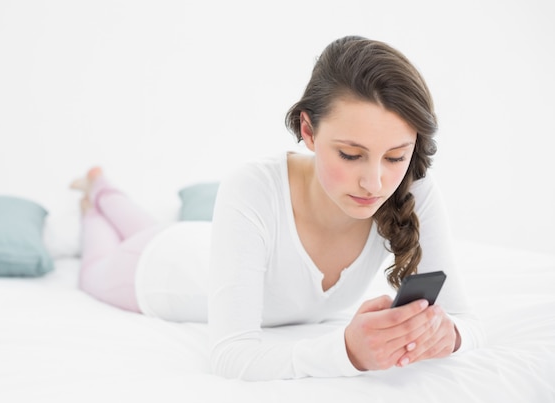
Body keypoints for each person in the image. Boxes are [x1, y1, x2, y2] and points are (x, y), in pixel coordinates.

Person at [70, 35, 483, 381]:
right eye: (350, 154)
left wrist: (447, 335)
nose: (375, 182)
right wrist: (347, 352)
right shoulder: (252, 186)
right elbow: (231, 355)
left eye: (395, 156)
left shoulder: (414, 191)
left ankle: (102, 189)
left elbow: (468, 321)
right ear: (308, 129)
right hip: (160, 268)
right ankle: (96, 195)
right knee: (96, 265)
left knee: (146, 225)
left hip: (204, 245)